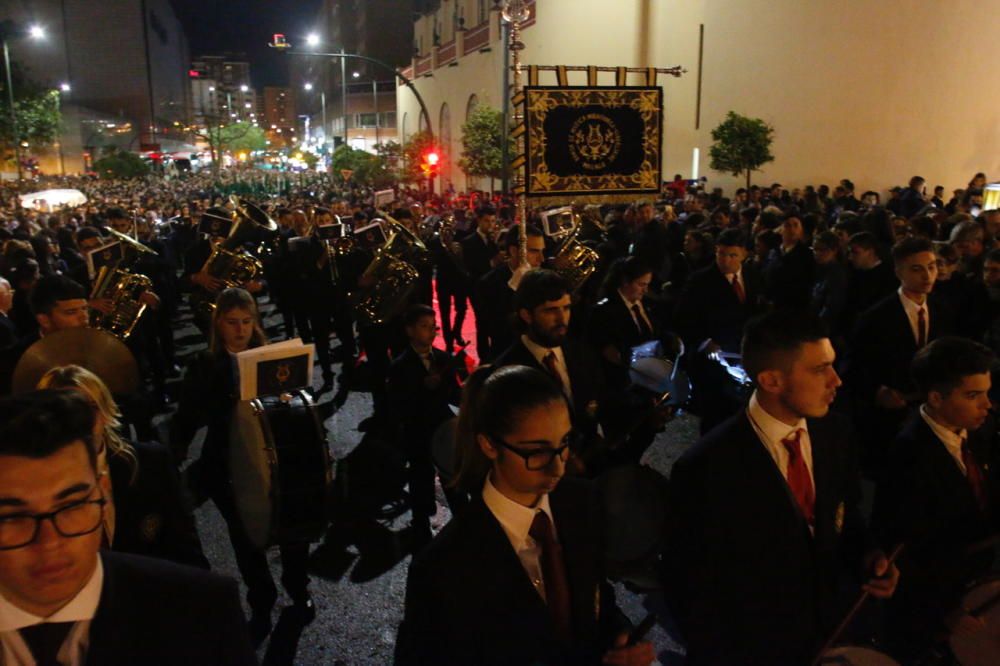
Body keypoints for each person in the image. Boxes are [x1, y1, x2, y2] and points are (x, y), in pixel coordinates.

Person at [662, 310, 899, 665]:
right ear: (772, 380)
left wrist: (867, 556)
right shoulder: (706, 467)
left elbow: (845, 518)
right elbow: (691, 592)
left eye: (833, 365)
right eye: (820, 369)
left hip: (827, 632)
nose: (837, 380)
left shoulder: (835, 433)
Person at [394, 365, 655, 666]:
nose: (557, 468)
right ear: (489, 444)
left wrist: (620, 640)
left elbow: (594, 597)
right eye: (537, 452)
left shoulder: (580, 501)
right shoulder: (441, 569)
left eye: (564, 444)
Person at [0, 389, 256, 665]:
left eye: (71, 506)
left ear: (103, 491)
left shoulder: (202, 612)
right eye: (12, 517)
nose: (49, 542)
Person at [170, 288, 313, 646]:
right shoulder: (205, 366)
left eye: (247, 322)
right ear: (218, 324)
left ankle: (298, 588)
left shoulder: (271, 356)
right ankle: (261, 599)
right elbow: (187, 418)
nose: (240, 330)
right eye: (232, 323)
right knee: (246, 537)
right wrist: (172, 457)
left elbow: (297, 405)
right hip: (227, 465)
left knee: (291, 526)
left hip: (276, 457)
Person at [873, 337, 1000, 660]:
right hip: (935, 610)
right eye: (973, 395)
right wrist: (948, 610)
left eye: (986, 392)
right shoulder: (909, 457)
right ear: (936, 398)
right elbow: (903, 548)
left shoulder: (979, 430)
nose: (988, 404)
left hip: (980, 582)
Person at [37, 365, 208, 569]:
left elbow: (184, 543)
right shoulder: (37, 487)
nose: (83, 420)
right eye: (69, 411)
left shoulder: (149, 462)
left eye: (91, 407)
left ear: (105, 410)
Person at [845, 236, 955, 477]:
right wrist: (877, 391)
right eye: (917, 269)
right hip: (890, 416)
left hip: (932, 410)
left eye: (932, 267)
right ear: (899, 272)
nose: (927, 276)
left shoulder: (944, 310)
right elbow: (855, 367)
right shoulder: (876, 317)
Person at [493, 270, 606, 467]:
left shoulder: (581, 352)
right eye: (550, 310)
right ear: (526, 315)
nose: (562, 319)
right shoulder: (508, 370)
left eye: (566, 308)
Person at [386, 304, 463, 546]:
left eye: (433, 327)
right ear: (409, 330)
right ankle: (421, 525)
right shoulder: (400, 366)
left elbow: (454, 396)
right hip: (417, 432)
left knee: (452, 477)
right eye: (424, 327)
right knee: (421, 478)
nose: (430, 332)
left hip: (442, 429)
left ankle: (463, 521)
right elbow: (397, 404)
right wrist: (422, 387)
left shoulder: (443, 358)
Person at [476, 225, 546, 361]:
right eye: (534, 251)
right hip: (508, 358)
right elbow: (493, 329)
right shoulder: (489, 283)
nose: (541, 259)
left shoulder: (544, 275)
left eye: (542, 251)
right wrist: (513, 288)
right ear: (514, 251)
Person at [461, 206, 501, 360]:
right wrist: (492, 263)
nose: (490, 225)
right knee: (482, 325)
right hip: (478, 290)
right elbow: (471, 267)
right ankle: (483, 357)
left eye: (492, 221)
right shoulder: (469, 241)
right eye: (486, 221)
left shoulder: (494, 240)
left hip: (494, 289)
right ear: (479, 221)